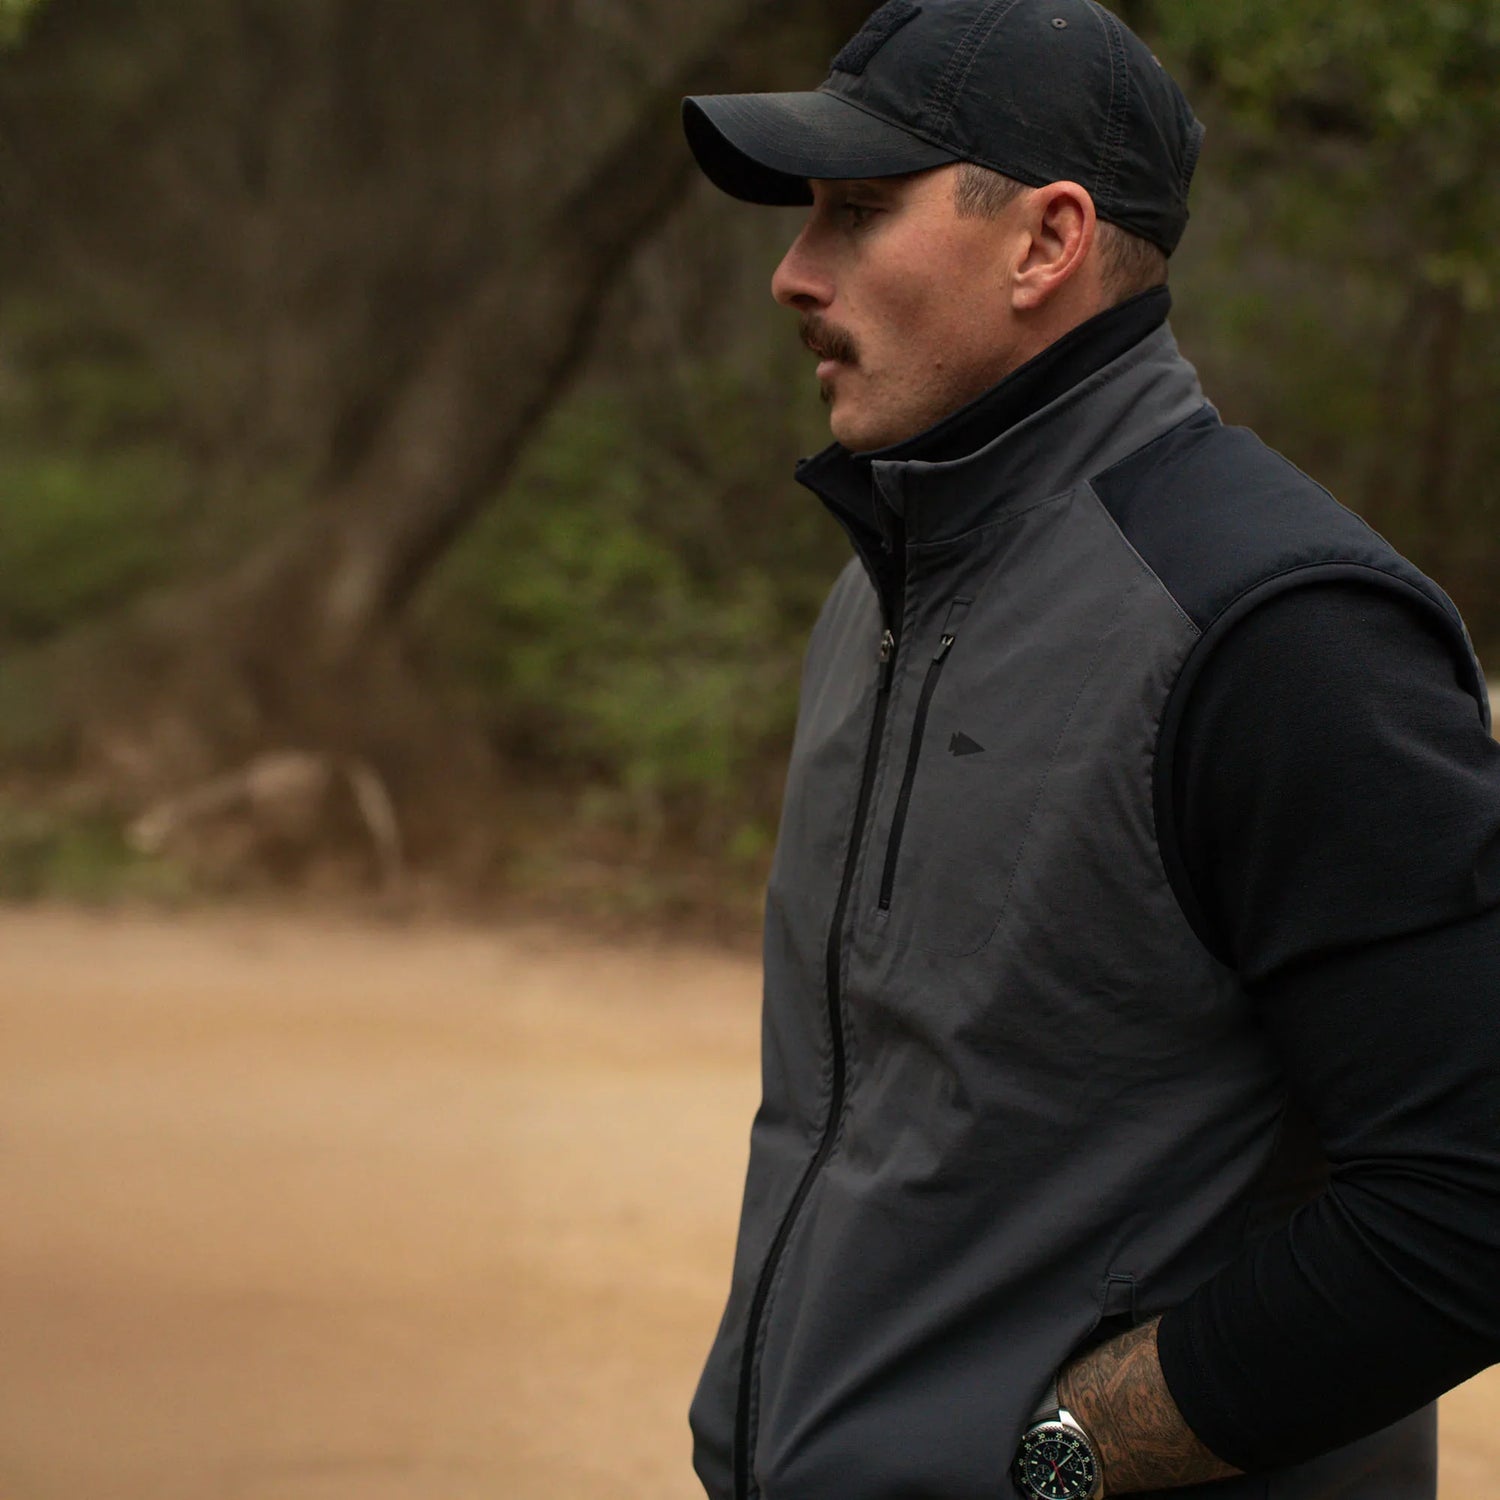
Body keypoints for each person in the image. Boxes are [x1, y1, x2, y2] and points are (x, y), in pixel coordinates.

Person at [679, 2, 1500, 1498]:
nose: (795, 274)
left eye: (860, 213)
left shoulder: (1280, 632)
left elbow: (1466, 1205)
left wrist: (1059, 1464)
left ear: (1046, 244)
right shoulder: (883, 583)